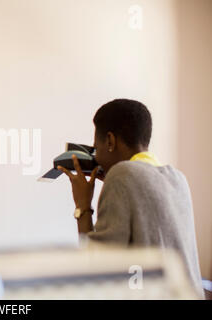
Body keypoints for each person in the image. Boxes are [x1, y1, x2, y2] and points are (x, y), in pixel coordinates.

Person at [58, 99, 204, 298]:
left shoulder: (123, 174)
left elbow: (95, 266)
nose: (97, 157)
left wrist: (83, 206)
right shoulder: (177, 178)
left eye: (96, 147)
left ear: (110, 141)